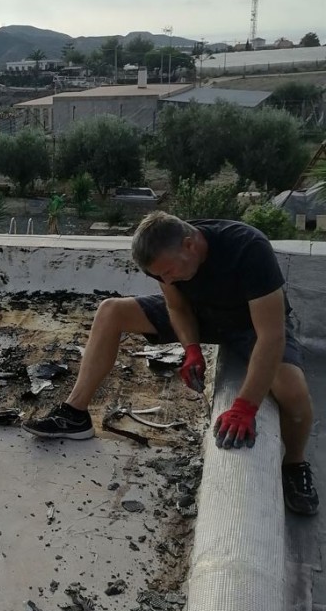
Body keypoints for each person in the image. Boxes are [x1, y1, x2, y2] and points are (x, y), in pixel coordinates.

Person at [22, 211, 319, 516]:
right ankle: (75, 413)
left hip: (250, 325)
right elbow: (177, 307)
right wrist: (191, 348)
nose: (166, 280)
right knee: (110, 311)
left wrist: (245, 406)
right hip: (202, 315)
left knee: (293, 392)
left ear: (190, 245)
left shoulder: (248, 248)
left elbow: (270, 336)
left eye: (168, 272)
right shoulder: (165, 264)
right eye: (158, 276)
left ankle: (294, 464)